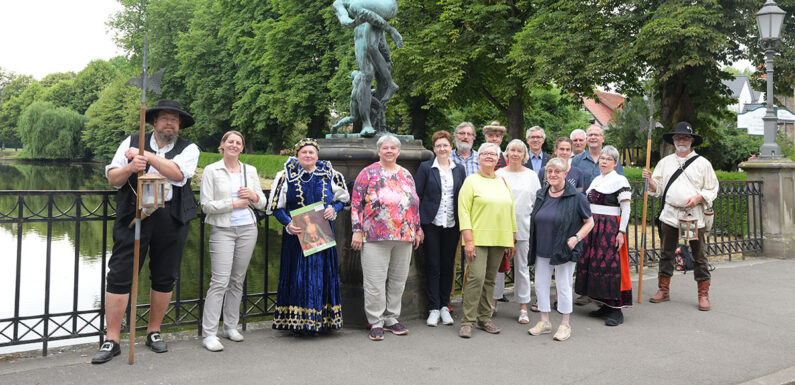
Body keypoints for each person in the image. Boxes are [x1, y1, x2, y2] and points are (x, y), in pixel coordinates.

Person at [92, 99, 200, 364]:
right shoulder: (131, 141)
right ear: (153, 121)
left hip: (170, 216)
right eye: (165, 118)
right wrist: (131, 167)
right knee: (120, 273)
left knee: (165, 275)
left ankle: (153, 332)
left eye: (175, 120)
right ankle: (112, 339)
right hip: (135, 214)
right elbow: (113, 178)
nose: (170, 123)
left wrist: (148, 157)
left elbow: (178, 174)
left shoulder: (189, 148)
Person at [266, 138, 349, 334]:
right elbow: (276, 207)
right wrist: (288, 223)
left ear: (317, 156)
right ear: (298, 155)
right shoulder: (285, 175)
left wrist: (333, 209)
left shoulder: (330, 174)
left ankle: (323, 322)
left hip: (322, 235)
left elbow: (343, 200)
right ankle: (299, 324)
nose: (308, 155)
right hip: (296, 236)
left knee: (322, 276)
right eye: (304, 152)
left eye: (311, 152)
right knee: (298, 277)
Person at [199, 131, 267, 351]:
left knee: (237, 280)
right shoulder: (212, 170)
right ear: (223, 144)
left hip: (248, 228)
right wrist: (232, 204)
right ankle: (209, 334)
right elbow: (205, 205)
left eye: (238, 143)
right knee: (219, 281)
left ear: (242, 147)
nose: (234, 145)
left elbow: (262, 202)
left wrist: (253, 196)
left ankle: (230, 326)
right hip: (222, 230)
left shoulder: (250, 170)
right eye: (230, 141)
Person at [351, 134, 423, 341]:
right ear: (379, 150)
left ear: (398, 151)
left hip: (404, 235)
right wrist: (357, 230)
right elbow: (356, 203)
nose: (389, 151)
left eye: (393, 148)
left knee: (398, 280)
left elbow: (414, 204)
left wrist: (417, 229)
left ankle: (392, 318)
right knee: (374, 282)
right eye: (385, 148)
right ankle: (376, 321)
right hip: (375, 235)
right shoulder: (368, 173)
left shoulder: (406, 174)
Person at [642, 122, 718, 311]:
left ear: (691, 140)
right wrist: (650, 180)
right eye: (678, 137)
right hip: (670, 214)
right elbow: (658, 189)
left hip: (692, 216)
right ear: (673, 140)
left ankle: (703, 294)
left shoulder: (703, 163)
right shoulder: (665, 162)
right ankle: (663, 290)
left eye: (685, 137)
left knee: (698, 255)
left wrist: (698, 198)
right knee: (667, 253)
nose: (681, 140)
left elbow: (712, 188)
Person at [527, 158, 594, 341]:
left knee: (563, 285)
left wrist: (576, 238)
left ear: (565, 174)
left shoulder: (576, 197)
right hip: (542, 247)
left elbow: (590, 222)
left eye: (557, 171)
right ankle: (544, 321)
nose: (553, 175)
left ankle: (565, 324)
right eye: (550, 171)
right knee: (540, 284)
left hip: (564, 249)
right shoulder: (541, 194)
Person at [457, 142, 517, 338]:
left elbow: (510, 210)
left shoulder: (503, 181)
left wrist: (512, 237)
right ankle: (467, 321)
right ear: (479, 157)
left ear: (498, 159)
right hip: (477, 238)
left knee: (490, 280)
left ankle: (484, 318)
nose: (489, 157)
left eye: (493, 154)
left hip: (499, 238)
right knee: (476, 278)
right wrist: (468, 240)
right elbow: (464, 211)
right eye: (485, 154)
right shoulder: (471, 181)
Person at [574, 146, 633, 326]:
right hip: (594, 227)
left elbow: (626, 209)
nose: (604, 162)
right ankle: (604, 305)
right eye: (602, 158)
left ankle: (616, 310)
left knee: (611, 267)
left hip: (610, 227)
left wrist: (621, 232)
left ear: (615, 163)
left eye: (608, 159)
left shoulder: (620, 180)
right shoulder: (597, 180)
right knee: (595, 265)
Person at [415, 131, 466, 326]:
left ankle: (445, 305)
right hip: (431, 224)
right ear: (434, 148)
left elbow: (462, 197)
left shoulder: (459, 169)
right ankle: (434, 308)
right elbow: (417, 197)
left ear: (451, 147)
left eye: (445, 145)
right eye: (438, 146)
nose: (442, 149)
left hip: (452, 224)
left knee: (448, 266)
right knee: (433, 265)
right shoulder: (426, 168)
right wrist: (418, 226)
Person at [333, 0, 402, 136]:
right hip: (363, 39)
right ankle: (367, 124)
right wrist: (355, 21)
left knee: (382, 79)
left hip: (378, 36)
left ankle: (380, 126)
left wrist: (389, 32)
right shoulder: (341, 3)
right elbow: (345, 20)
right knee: (367, 76)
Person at [491, 139, 541, 324]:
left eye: (519, 151)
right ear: (506, 153)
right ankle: (493, 302)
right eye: (512, 150)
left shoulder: (531, 176)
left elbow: (536, 202)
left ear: (524, 155)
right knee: (498, 266)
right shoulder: (498, 174)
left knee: (522, 268)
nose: (515, 154)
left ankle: (523, 307)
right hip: (500, 228)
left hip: (523, 227)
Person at [571, 124, 624, 189]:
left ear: (603, 139)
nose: (593, 137)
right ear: (586, 139)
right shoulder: (576, 160)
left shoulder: (613, 159)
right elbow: (572, 185)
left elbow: (621, 182)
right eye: (590, 135)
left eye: (596, 135)